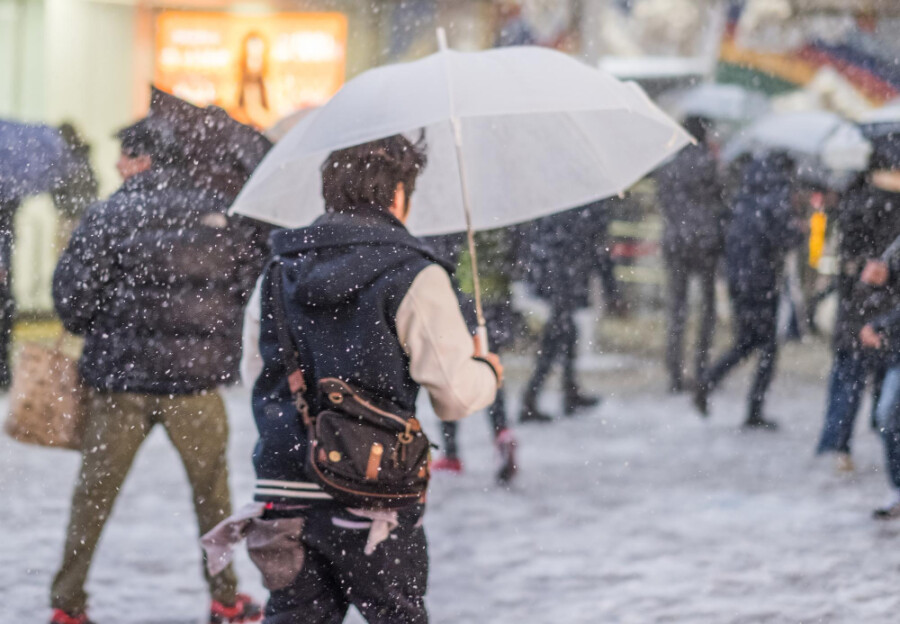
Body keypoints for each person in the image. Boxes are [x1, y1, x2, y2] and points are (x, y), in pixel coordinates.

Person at [246, 134, 502, 623]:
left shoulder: (278, 269)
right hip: (373, 492)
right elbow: (452, 396)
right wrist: (486, 371)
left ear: (329, 191)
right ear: (399, 195)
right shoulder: (414, 273)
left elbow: (258, 372)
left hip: (285, 488)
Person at [49, 117, 267, 624]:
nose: (116, 165)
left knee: (92, 498)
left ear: (142, 161)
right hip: (195, 386)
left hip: (120, 385)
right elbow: (243, 288)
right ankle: (226, 597)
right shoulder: (217, 214)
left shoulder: (108, 215)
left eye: (123, 155)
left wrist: (110, 324)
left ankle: (67, 604)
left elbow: (71, 301)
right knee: (213, 495)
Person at [694, 152, 804, 429]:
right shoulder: (775, 197)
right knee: (766, 347)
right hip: (762, 280)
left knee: (747, 341)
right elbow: (780, 238)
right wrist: (801, 232)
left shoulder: (744, 195)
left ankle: (708, 381)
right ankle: (751, 408)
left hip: (738, 278)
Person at [815, 159, 900, 469]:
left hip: (872, 306)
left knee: (859, 378)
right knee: (859, 376)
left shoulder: (857, 196)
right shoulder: (868, 200)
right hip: (868, 304)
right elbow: (852, 253)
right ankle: (845, 445)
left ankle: (846, 445)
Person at [426, 230, 519, 483]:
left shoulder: (450, 223)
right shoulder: (495, 220)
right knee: (489, 367)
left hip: (461, 302)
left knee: (449, 373)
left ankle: (452, 453)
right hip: (496, 302)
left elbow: (439, 263)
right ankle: (502, 431)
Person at [654, 115, 728, 393]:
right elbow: (721, 201)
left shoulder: (668, 166)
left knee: (677, 309)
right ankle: (701, 369)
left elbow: (663, 201)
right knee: (706, 309)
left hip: (675, 242)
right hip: (704, 243)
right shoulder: (709, 164)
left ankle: (674, 372)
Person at [519, 202, 606, 422]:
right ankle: (535, 396)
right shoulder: (578, 200)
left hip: (559, 270)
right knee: (559, 333)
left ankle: (565, 390)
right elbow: (592, 240)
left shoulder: (565, 199)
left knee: (565, 331)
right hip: (563, 272)